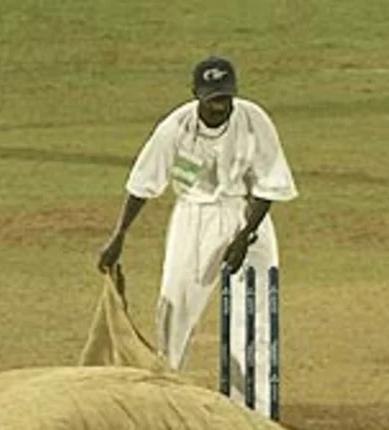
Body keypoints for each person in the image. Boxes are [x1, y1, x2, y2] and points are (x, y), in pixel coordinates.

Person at [97, 57, 298, 408]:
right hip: (194, 219)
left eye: (226, 98)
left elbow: (271, 183)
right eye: (213, 99)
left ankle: (253, 408)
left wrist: (243, 236)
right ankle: (164, 399)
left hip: (249, 215)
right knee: (175, 308)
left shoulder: (254, 119)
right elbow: (144, 184)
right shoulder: (174, 129)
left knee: (255, 311)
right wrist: (119, 235)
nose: (221, 106)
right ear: (196, 96)